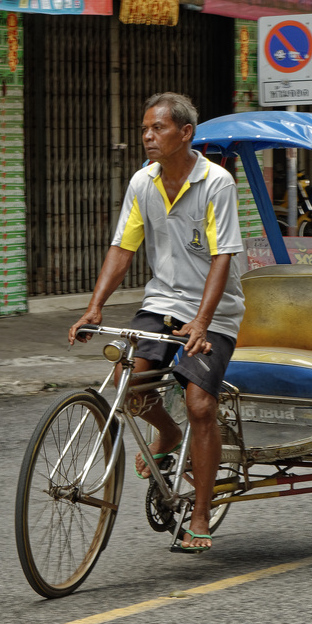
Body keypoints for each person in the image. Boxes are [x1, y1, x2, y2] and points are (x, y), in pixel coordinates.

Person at [68, 91, 245, 553]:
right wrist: (95, 305)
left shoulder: (217, 183)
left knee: (200, 404)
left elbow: (224, 256)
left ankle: (201, 516)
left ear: (185, 133)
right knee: (134, 392)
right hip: (162, 301)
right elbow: (123, 248)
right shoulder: (143, 182)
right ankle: (168, 434)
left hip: (216, 310)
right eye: (145, 128)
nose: (147, 136)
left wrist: (203, 323)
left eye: (158, 128)